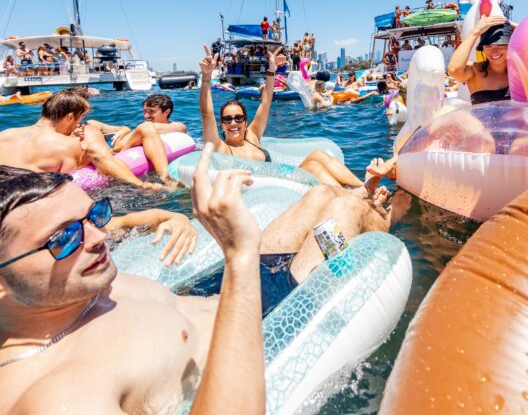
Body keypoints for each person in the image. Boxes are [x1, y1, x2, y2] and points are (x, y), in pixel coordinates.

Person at [0, 140, 392, 413]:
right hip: (268, 313)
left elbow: (121, 224)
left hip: (218, 288)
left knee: (322, 197)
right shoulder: (56, 398)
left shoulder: (68, 290)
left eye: (95, 215)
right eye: (64, 237)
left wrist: (173, 216)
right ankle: (391, 208)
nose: (98, 237)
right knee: (347, 213)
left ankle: (371, 194)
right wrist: (238, 256)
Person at [199, 47, 365, 187]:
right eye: (227, 119)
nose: (233, 123)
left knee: (317, 156)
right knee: (314, 168)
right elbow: (207, 114)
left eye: (238, 118)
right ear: (221, 124)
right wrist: (206, 78)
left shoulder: (251, 136)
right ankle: (354, 197)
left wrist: (272, 71)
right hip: (270, 192)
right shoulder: (220, 147)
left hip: (283, 183)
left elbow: (265, 102)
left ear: (245, 121)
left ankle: (362, 189)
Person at [0, 89, 170, 190]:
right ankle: (157, 181)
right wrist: (139, 184)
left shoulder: (6, 134)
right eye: (79, 119)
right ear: (70, 117)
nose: (78, 124)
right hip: (34, 200)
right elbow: (97, 156)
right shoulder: (65, 145)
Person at [87, 93, 188, 188]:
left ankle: (165, 177)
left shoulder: (174, 126)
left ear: (167, 112)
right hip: (112, 156)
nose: (146, 116)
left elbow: (181, 128)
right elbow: (94, 124)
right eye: (145, 111)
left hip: (121, 158)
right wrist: (124, 128)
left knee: (146, 127)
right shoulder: (144, 128)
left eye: (152, 111)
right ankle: (165, 177)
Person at [448, 16, 512, 104]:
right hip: (479, 118)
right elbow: (454, 70)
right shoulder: (475, 70)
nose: (494, 51)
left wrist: (512, 25)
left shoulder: (519, 71)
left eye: (501, 45)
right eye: (488, 46)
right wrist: (475, 32)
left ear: (510, 46)